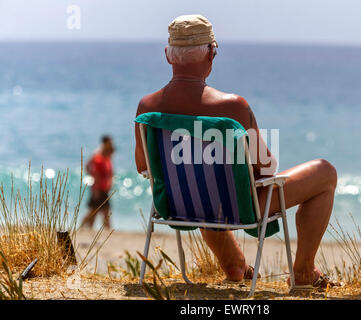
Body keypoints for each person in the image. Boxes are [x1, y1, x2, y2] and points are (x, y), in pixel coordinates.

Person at [134, 15, 337, 289]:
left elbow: (142, 165)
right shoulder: (234, 107)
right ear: (211, 53)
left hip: (178, 205)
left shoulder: (147, 108)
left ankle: (234, 263)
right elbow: (266, 168)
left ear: (168, 56)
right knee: (324, 172)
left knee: (203, 182)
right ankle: (302, 271)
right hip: (239, 208)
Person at [82, 135, 115, 230]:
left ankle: (85, 228)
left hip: (103, 188)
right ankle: (82, 227)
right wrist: (96, 190)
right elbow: (95, 174)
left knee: (94, 212)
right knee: (98, 212)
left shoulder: (106, 156)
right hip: (98, 188)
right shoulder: (99, 157)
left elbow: (109, 173)